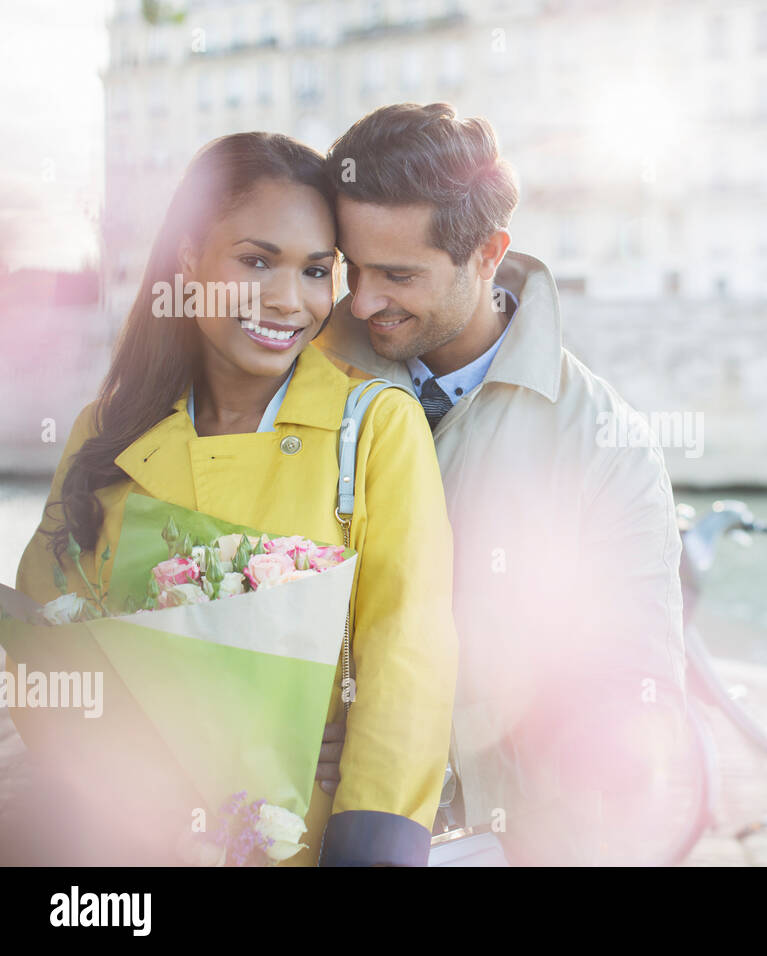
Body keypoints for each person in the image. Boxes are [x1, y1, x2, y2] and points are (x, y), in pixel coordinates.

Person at [3, 132, 456, 867]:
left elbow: (408, 657)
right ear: (188, 259)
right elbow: (44, 650)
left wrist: (373, 846)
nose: (288, 300)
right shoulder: (104, 432)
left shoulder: (372, 426)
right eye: (256, 260)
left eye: (316, 270)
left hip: (303, 842)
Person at [314, 103, 693, 865]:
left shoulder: (603, 442)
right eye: (352, 267)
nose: (361, 301)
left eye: (398, 275)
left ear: (488, 254)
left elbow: (637, 683)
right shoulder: (297, 381)